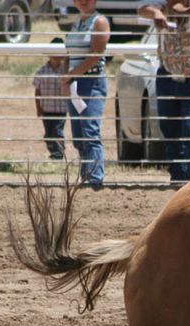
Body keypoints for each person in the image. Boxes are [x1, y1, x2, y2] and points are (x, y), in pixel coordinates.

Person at [138, 0, 190, 184]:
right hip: (166, 76)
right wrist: (156, 14)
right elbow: (142, 9)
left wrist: (187, 11)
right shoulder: (160, 8)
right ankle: (177, 176)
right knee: (169, 129)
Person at [62, 0, 110, 190]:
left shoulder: (99, 22)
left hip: (91, 81)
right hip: (75, 82)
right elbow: (69, 53)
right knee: (79, 133)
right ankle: (86, 175)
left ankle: (95, 179)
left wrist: (71, 75)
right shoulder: (77, 23)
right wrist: (66, 78)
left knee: (90, 131)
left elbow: (95, 55)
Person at [33, 38, 67, 161]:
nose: (57, 56)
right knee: (48, 133)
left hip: (61, 108)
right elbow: (37, 90)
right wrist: (38, 107)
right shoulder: (42, 71)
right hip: (47, 108)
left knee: (57, 131)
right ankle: (53, 151)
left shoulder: (65, 71)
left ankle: (59, 153)